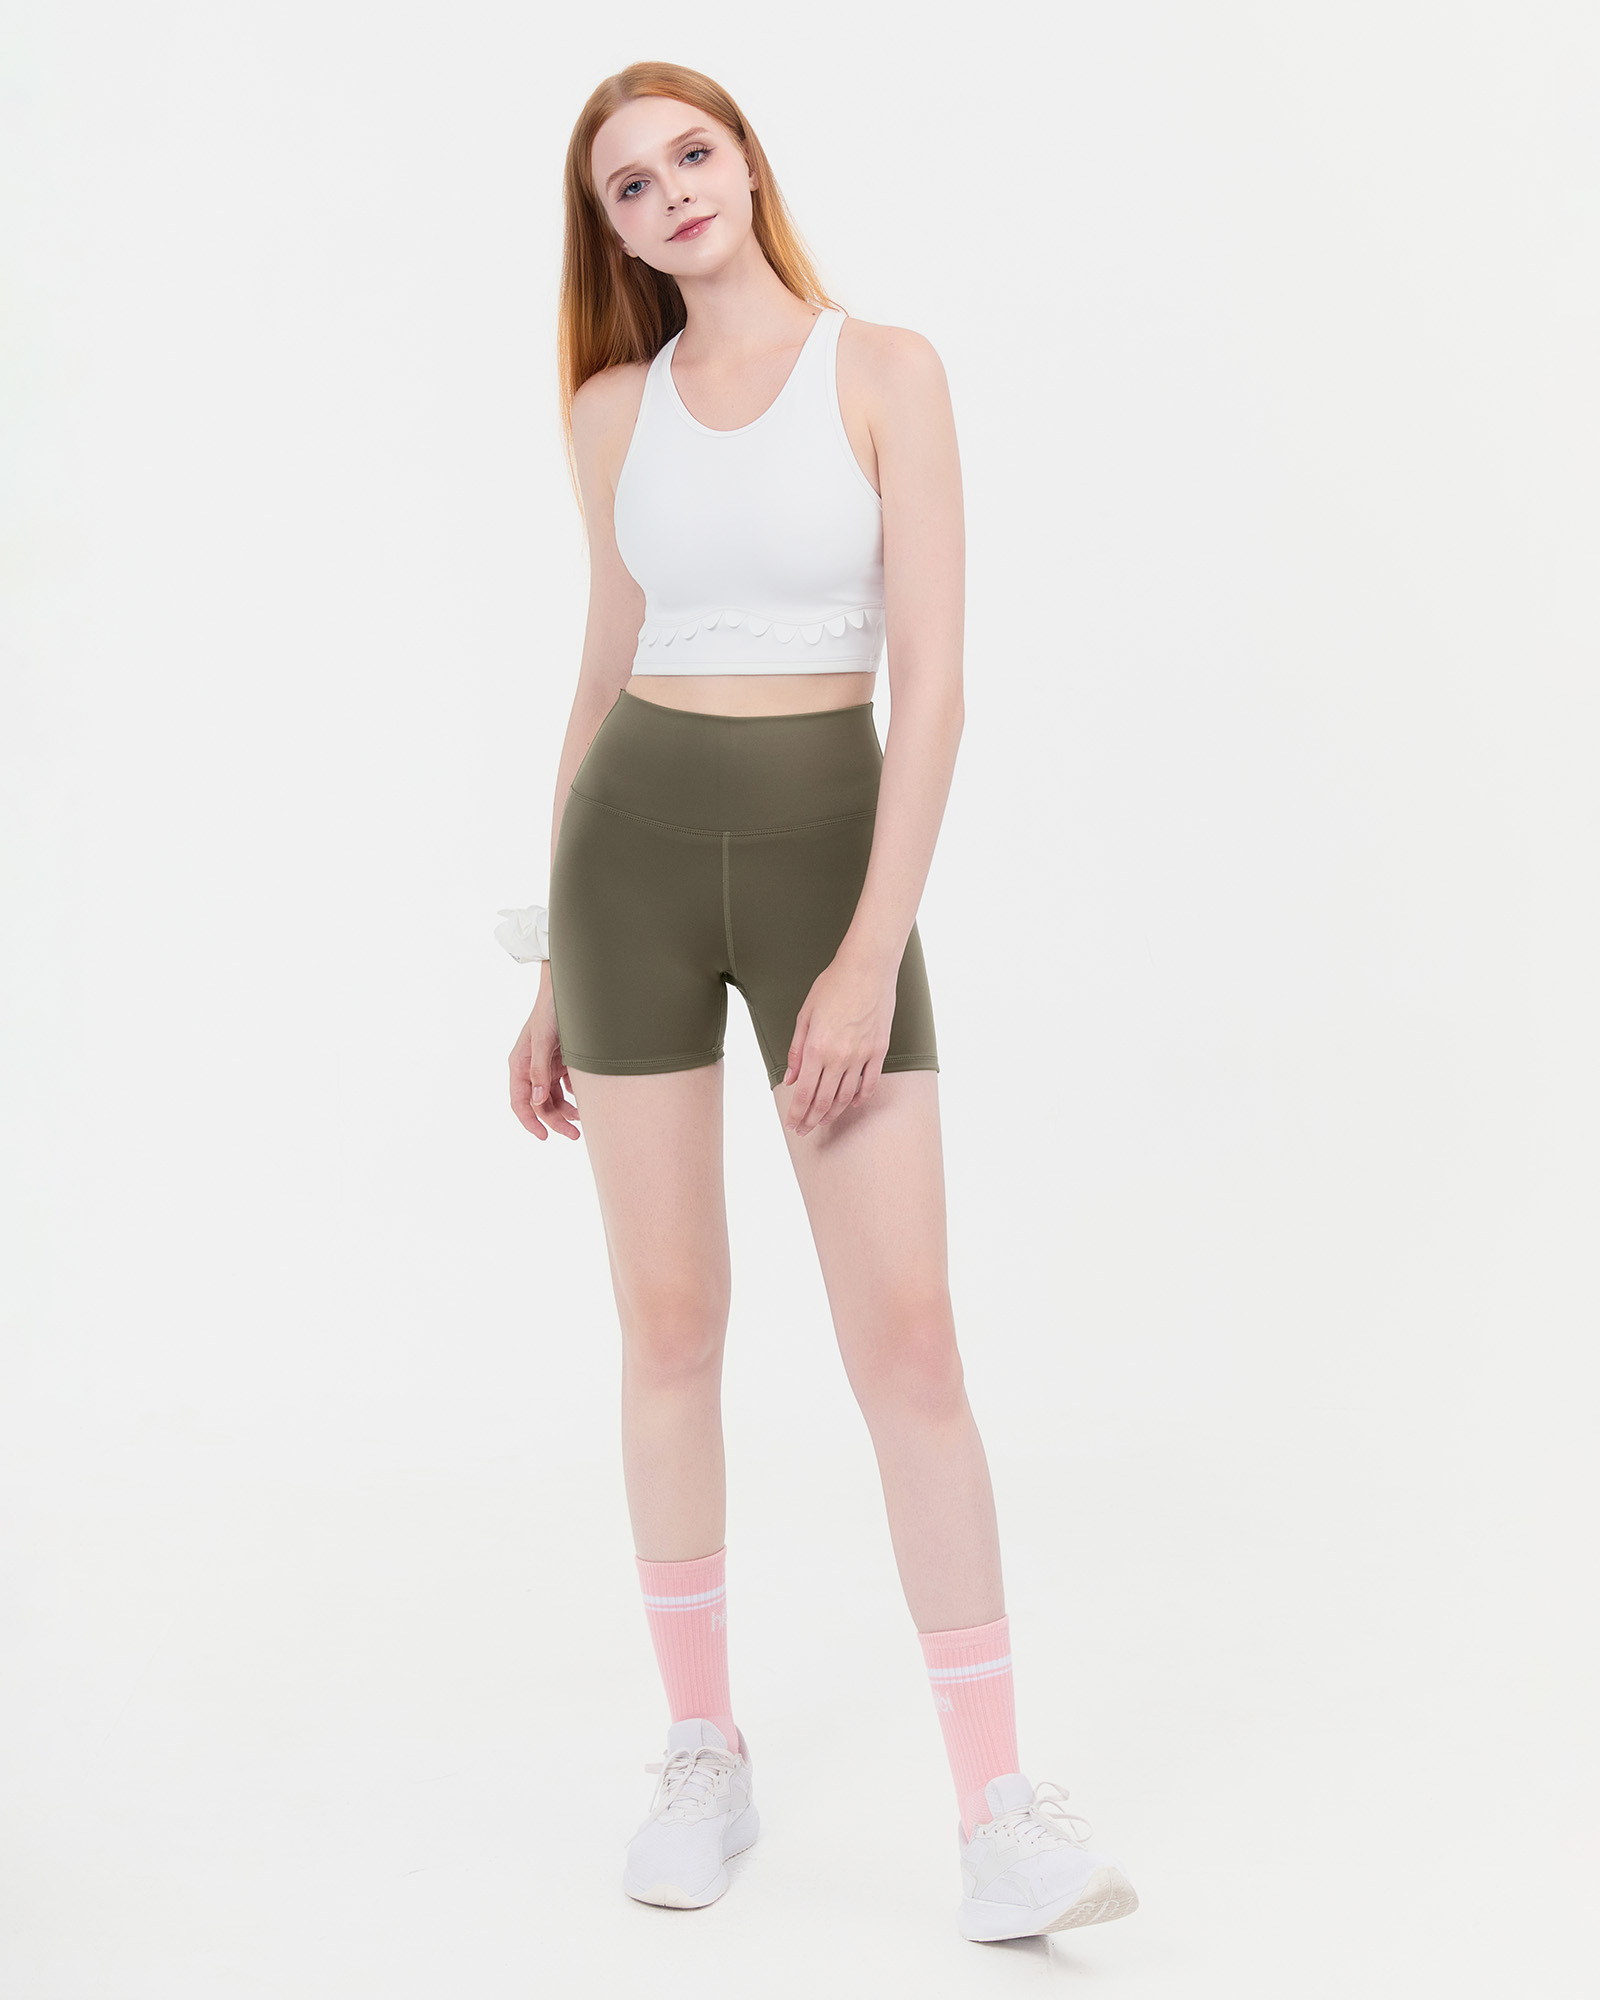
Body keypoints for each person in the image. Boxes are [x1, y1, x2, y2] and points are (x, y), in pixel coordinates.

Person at [501, 60, 1139, 1944]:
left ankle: (998, 1812)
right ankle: (702, 1754)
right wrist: (549, 960)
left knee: (908, 1342)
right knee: (670, 1322)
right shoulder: (610, 410)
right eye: (629, 185)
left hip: (825, 874)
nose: (670, 192)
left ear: (747, 158)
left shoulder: (886, 370)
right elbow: (600, 674)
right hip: (626, 864)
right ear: (612, 233)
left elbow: (932, 682)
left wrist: (868, 952)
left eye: (690, 152)